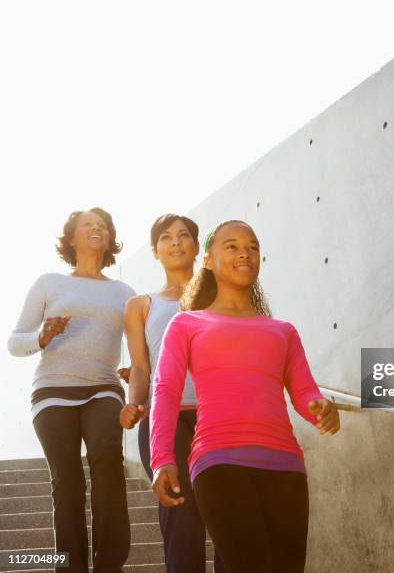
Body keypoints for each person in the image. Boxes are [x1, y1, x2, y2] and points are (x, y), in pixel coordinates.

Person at [149, 219, 341, 573]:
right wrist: (162, 457)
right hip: (219, 461)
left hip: (285, 466)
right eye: (232, 246)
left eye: (253, 247)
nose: (245, 253)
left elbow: (304, 391)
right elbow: (166, 391)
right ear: (207, 260)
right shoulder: (187, 323)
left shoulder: (282, 330)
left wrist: (322, 410)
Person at [8, 208, 134, 573]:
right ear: (72, 238)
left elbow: (140, 343)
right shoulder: (50, 283)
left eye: (103, 226)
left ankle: (110, 565)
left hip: (104, 388)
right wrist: (42, 336)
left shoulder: (123, 292)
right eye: (87, 225)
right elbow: (16, 342)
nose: (96, 229)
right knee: (67, 482)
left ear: (109, 239)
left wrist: (137, 370)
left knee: (108, 460)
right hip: (52, 392)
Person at [118, 213, 224, 573]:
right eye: (166, 237)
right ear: (154, 250)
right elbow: (141, 366)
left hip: (220, 416)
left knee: (229, 517)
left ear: (197, 247)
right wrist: (133, 403)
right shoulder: (140, 305)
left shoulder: (224, 293)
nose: (176, 242)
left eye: (184, 236)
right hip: (165, 420)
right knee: (180, 517)